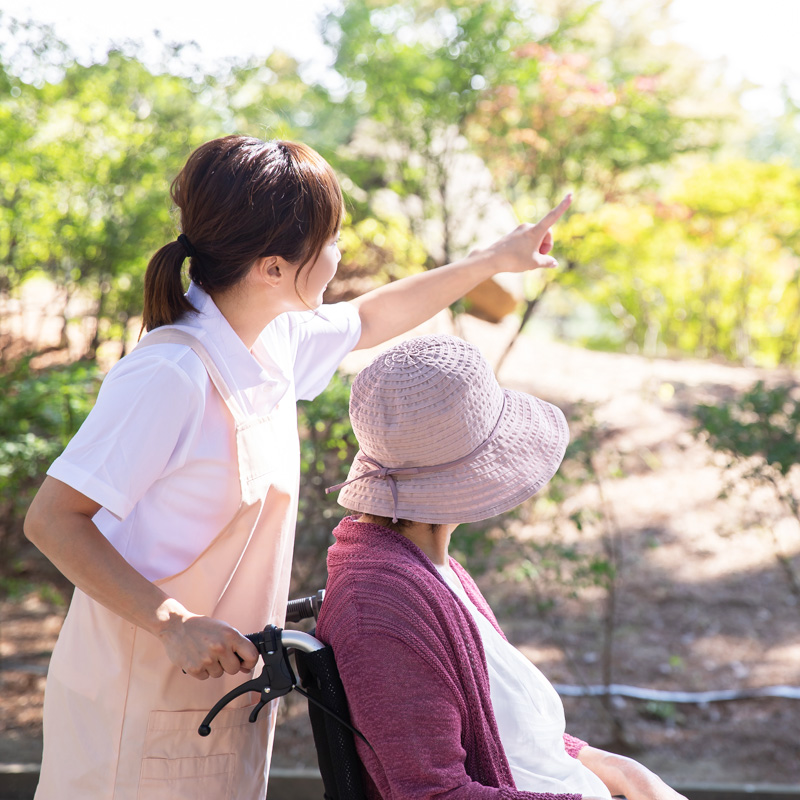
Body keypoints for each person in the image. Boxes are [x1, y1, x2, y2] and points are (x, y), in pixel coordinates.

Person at [23, 135, 571, 800]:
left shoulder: (271, 340)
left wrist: (495, 260)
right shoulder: (170, 375)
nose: (340, 252)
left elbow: (372, 317)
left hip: (221, 697)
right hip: (136, 702)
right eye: (331, 237)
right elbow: (53, 519)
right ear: (274, 268)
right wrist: (172, 623)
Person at [319, 334, 688, 800]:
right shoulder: (381, 607)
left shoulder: (430, 568)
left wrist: (632, 775)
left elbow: (520, 742)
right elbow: (434, 794)